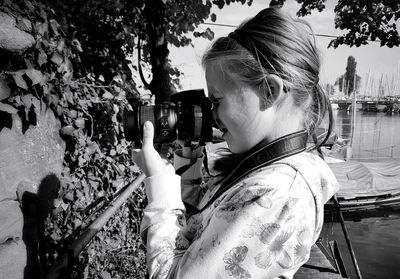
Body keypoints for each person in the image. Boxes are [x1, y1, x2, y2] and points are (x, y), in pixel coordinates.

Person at [133, 7, 339, 279]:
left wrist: (158, 184)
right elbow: (205, 223)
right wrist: (186, 159)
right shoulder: (264, 167)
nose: (212, 115)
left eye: (217, 101)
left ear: (269, 92)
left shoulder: (276, 196)